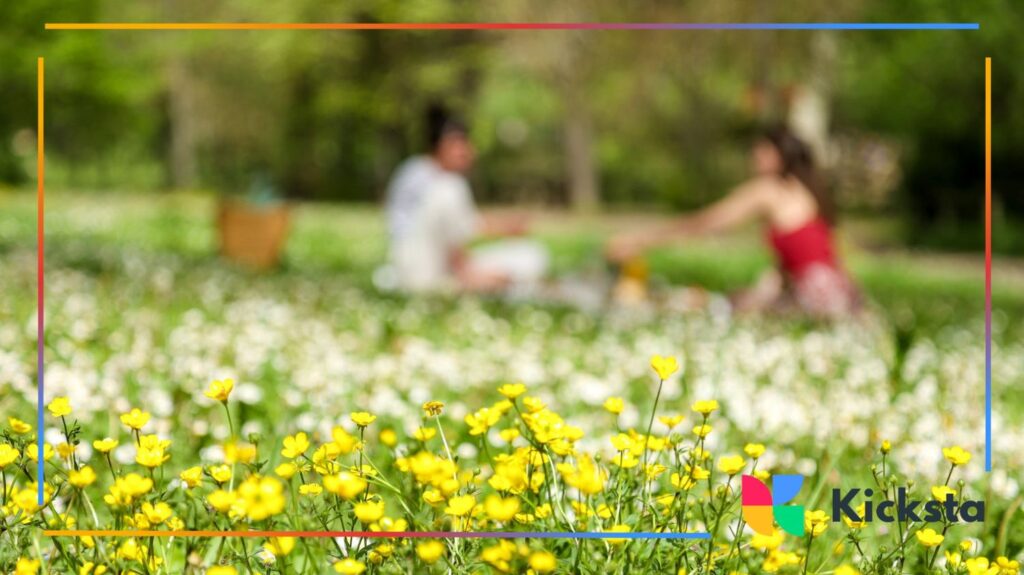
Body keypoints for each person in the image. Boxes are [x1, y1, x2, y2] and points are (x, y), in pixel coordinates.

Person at [607, 126, 860, 319]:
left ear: (779, 155)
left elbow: (707, 222)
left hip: (813, 298)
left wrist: (639, 240)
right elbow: (822, 257)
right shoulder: (808, 189)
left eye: (761, 151)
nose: (754, 157)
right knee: (735, 301)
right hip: (839, 294)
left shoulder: (769, 190)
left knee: (713, 306)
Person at [381, 105, 548, 293]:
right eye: (462, 145)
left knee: (531, 253)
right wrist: (469, 272)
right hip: (424, 268)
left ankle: (468, 276)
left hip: (431, 265)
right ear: (444, 145)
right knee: (525, 259)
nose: (470, 152)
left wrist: (505, 227)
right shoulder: (443, 183)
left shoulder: (425, 174)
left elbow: (464, 223)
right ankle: (466, 279)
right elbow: (450, 231)